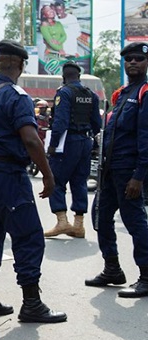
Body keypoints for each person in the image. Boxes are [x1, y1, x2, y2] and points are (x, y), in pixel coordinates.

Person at [0, 39, 66, 323]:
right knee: (29, 237)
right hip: (8, 176)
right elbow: (31, 139)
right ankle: (32, 303)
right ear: (21, 65)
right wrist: (48, 175)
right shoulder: (17, 96)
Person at [85, 42, 148, 298]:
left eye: (138, 59)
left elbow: (146, 137)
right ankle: (112, 269)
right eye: (129, 59)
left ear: (145, 63)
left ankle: (146, 275)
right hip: (109, 170)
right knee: (99, 216)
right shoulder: (122, 94)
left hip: (129, 171)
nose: (132, 62)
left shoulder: (144, 93)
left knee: (135, 223)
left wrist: (139, 176)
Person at [44, 62, 100, 238]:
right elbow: (97, 124)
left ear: (64, 76)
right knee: (79, 181)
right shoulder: (91, 95)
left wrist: (52, 146)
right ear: (79, 76)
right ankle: (78, 225)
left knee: (56, 181)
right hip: (85, 141)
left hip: (68, 142)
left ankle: (62, 222)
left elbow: (60, 123)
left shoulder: (64, 93)